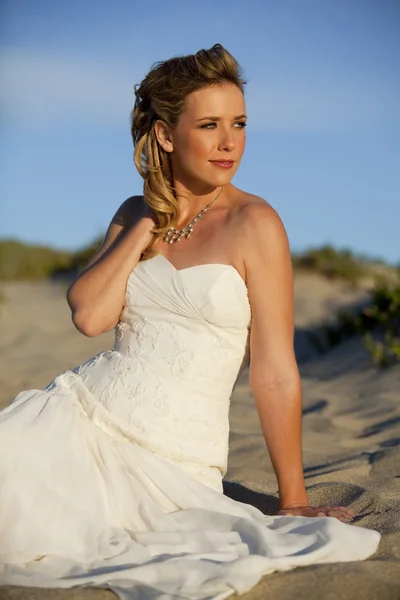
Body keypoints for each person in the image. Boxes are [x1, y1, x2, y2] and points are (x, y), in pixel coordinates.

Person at [0, 43, 380, 599]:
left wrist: (293, 499)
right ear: (165, 134)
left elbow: (273, 370)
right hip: (77, 419)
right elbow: (89, 315)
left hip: (176, 460)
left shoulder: (256, 223)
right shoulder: (133, 214)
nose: (230, 142)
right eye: (209, 125)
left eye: (240, 123)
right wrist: (144, 225)